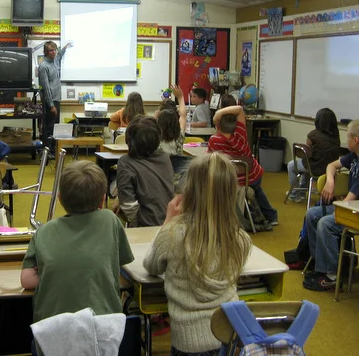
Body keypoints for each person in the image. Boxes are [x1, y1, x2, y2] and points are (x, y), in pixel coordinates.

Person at [143, 152, 251, 356]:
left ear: (188, 190)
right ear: (231, 193)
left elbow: (151, 265)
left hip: (188, 342)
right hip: (230, 336)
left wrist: (168, 221)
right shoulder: (240, 239)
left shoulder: (172, 234)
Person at [21, 160, 134, 322]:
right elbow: (120, 264)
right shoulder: (110, 220)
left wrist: (54, 270)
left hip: (52, 328)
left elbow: (26, 280)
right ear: (103, 199)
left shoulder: (43, 232)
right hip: (104, 326)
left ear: (60, 199)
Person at [302, 119, 359, 291]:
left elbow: (348, 201)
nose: (346, 140)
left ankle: (332, 275)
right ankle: (320, 265)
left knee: (325, 223)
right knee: (312, 214)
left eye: (348, 137)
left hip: (354, 212)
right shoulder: (354, 157)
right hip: (349, 206)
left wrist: (337, 203)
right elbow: (332, 165)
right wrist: (330, 181)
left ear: (356, 140)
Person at [209, 105, 278, 225]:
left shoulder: (214, 140)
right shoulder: (241, 135)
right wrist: (218, 113)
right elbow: (240, 109)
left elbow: (210, 159)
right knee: (258, 192)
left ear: (217, 126)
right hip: (252, 176)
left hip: (230, 180)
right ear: (236, 126)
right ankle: (271, 216)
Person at [115, 115, 174, 226]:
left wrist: (137, 227)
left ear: (128, 139)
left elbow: (128, 206)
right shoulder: (165, 158)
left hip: (145, 226)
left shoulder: (125, 162)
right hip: (169, 222)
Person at [287, 108, 340, 202]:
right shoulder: (336, 137)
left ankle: (295, 194)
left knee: (292, 165)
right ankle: (302, 192)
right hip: (328, 170)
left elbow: (306, 153)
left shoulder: (313, 135)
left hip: (314, 167)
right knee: (307, 164)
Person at [39, 41, 71, 158]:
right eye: (50, 51)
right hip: (50, 101)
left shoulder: (55, 60)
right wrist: (51, 105)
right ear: (46, 52)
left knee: (55, 126)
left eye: (54, 50)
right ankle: (46, 152)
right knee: (49, 127)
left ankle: (52, 150)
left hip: (57, 99)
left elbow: (59, 55)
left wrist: (65, 48)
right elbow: (46, 88)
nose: (53, 52)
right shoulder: (43, 66)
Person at [156, 85, 187, 156]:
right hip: (177, 163)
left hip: (161, 163)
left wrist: (155, 116)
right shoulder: (179, 136)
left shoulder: (156, 138)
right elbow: (183, 116)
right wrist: (180, 98)